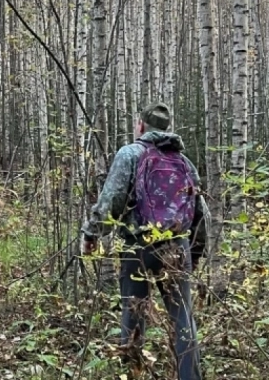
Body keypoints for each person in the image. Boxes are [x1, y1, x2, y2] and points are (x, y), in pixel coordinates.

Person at [80, 102, 209, 380]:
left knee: (133, 315)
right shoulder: (184, 163)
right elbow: (201, 214)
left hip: (137, 246)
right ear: (166, 128)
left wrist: (91, 234)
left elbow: (110, 200)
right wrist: (193, 254)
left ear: (141, 125)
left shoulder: (130, 153)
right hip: (177, 247)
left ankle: (131, 373)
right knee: (182, 319)